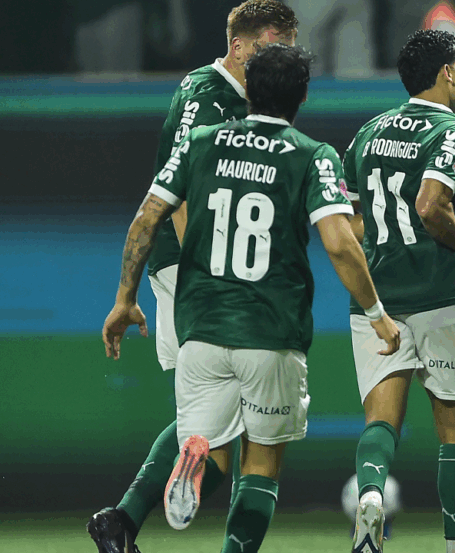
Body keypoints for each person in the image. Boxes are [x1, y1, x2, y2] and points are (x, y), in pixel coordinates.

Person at [100, 43, 401, 553]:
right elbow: (339, 243)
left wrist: (126, 297)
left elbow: (148, 216)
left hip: (201, 329)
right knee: (261, 463)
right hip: (269, 332)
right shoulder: (311, 155)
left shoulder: (198, 142)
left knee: (208, 443)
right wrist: (376, 313)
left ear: (250, 89)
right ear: (302, 95)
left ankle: (187, 460)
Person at [86, 3, 299, 552]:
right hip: (199, 269)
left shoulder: (215, 92)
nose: (288, 54)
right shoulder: (212, 97)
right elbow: (181, 190)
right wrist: (213, 269)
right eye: (280, 42)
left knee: (218, 415)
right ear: (247, 44)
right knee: (245, 426)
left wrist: (126, 294)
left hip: (187, 267)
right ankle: (144, 508)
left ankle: (123, 519)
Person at [341, 28, 455, 553]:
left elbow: (353, 224)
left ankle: (369, 495)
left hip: (378, 303)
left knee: (381, 422)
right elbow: (431, 206)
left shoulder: (366, 134)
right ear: (447, 72)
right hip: (440, 297)